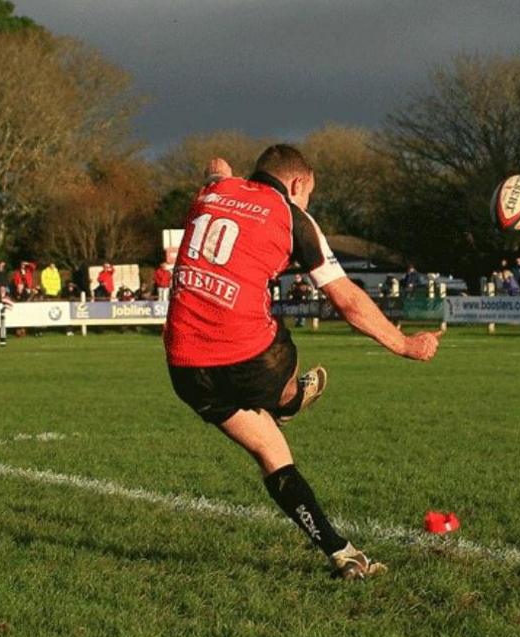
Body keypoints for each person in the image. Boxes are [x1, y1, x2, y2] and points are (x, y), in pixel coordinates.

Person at [165, 146, 440, 580]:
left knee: (270, 451)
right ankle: (291, 401)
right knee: (279, 355)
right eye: (309, 193)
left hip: (183, 365)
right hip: (247, 356)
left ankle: (340, 552)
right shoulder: (292, 216)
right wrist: (405, 345)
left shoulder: (213, 192)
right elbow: (346, 299)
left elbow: (215, 171)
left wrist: (216, 171)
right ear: (298, 184)